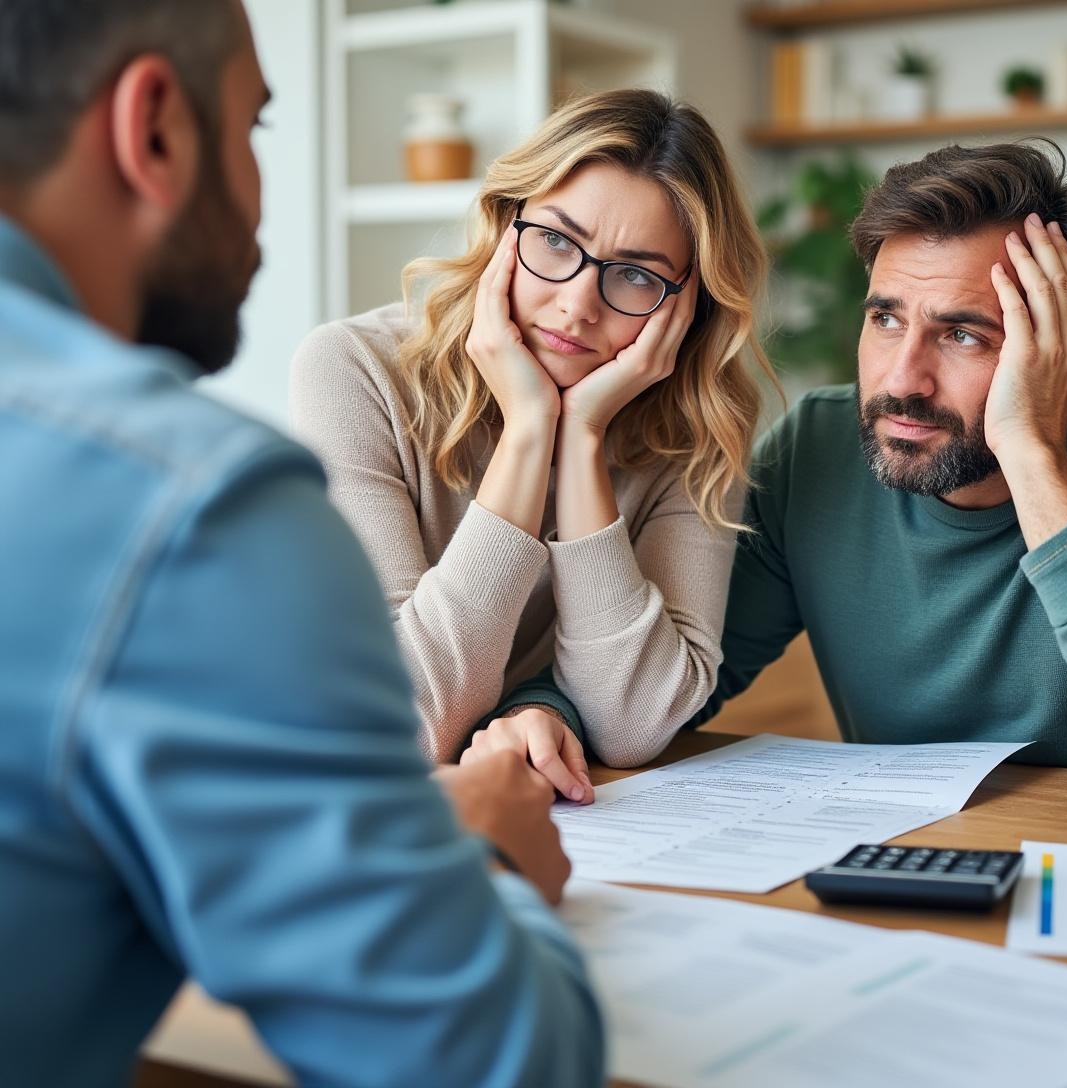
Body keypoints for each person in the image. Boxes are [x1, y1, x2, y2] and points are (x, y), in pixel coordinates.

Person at [0, 2, 602, 1084]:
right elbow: (497, 1061)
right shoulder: (190, 507)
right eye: (256, 129)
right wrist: (475, 852)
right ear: (155, 131)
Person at [685, 141, 1067, 833]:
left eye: (964, 336)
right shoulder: (817, 447)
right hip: (900, 874)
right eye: (886, 319)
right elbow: (673, 691)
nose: (900, 381)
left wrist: (1034, 452)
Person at [290, 88, 774, 795]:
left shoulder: (697, 425)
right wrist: (528, 432)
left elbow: (636, 723)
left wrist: (581, 437)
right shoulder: (354, 369)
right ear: (503, 226)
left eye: (635, 275)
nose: (576, 305)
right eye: (555, 241)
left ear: (686, 305)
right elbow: (407, 716)